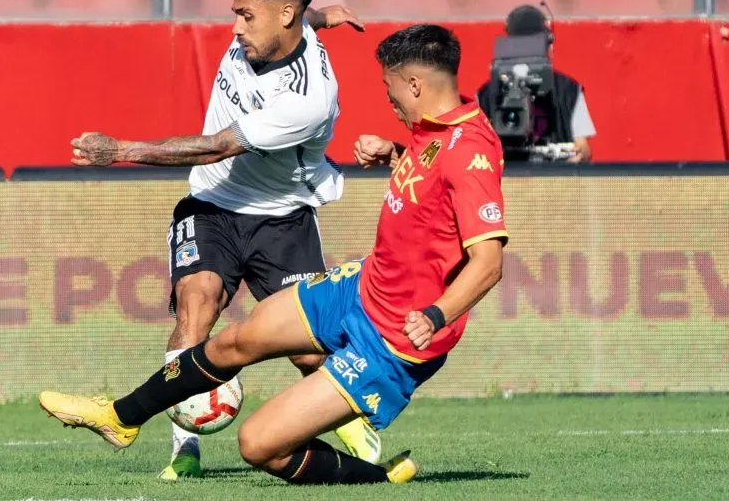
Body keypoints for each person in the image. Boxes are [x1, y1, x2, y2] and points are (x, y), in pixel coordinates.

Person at [40, 24, 508, 486]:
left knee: (259, 445)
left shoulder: (471, 153)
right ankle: (121, 418)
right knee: (233, 341)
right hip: (362, 288)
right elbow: (436, 180)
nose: (390, 102)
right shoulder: (436, 128)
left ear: (415, 84)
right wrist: (395, 153)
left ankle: (380, 478)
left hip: (393, 339)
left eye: (391, 92)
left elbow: (488, 262)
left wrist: (435, 314)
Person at [59, 0, 379, 480]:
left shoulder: (307, 98)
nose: (234, 29)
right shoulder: (283, 26)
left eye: (245, 15)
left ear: (284, 16)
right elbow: (307, 18)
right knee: (196, 308)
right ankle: (184, 446)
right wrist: (329, 15)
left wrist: (119, 149)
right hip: (212, 206)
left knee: (308, 351)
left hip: (282, 218)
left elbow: (214, 147)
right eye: (234, 13)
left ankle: (355, 433)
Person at [476, 4, 596, 163]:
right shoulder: (487, 94)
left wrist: (575, 157)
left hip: (554, 178)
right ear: (548, 43)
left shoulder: (568, 90)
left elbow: (582, 149)